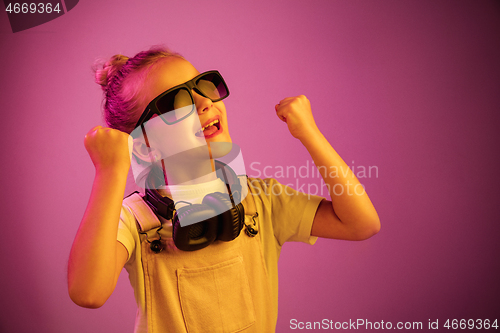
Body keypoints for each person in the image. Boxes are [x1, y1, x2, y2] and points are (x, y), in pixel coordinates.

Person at [68, 46, 380, 333]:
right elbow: (88, 292)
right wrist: (110, 172)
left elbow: (361, 224)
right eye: (177, 101)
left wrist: (310, 135)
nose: (205, 103)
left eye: (202, 87)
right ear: (144, 146)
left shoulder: (262, 201)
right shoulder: (135, 222)